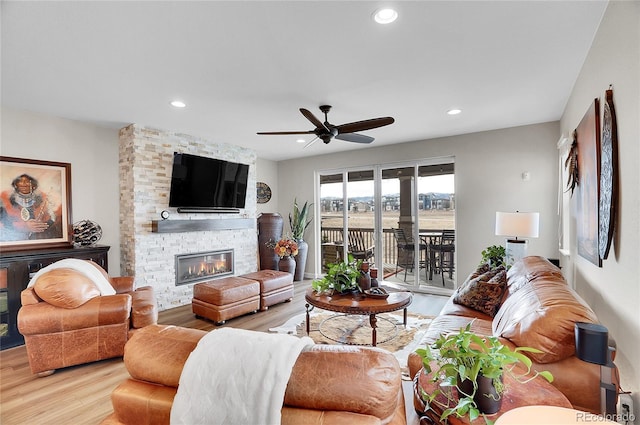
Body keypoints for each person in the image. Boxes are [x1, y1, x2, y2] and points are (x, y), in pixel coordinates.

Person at [0, 173, 62, 241]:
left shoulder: (43, 200)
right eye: (20, 181)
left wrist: (41, 225)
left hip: (39, 240)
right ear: (15, 185)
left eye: (27, 181)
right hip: (14, 241)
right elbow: (3, 222)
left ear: (33, 186)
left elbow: (52, 219)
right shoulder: (5, 200)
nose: (24, 184)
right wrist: (25, 226)